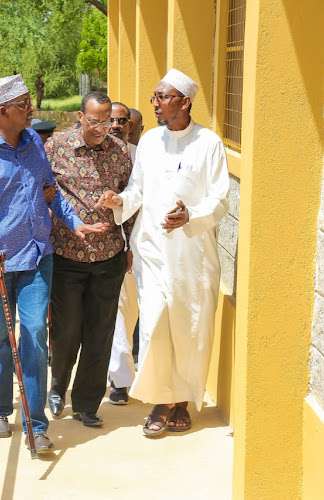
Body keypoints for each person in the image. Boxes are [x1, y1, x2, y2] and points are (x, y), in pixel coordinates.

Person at [0, 74, 106, 454]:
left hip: (36, 257)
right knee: (1, 338)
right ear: (2, 112)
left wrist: (74, 221)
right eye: (23, 104)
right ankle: (0, 408)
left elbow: (50, 190)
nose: (31, 109)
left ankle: (36, 424)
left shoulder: (34, 142)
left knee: (33, 335)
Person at [95, 69, 230, 437]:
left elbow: (220, 198)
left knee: (188, 328)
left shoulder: (209, 142)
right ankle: (160, 399)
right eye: (154, 97)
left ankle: (183, 401)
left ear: (184, 102)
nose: (154, 103)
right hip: (152, 250)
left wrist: (191, 216)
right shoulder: (151, 141)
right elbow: (138, 189)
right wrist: (119, 201)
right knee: (154, 325)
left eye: (162, 97)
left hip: (193, 256)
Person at [45, 92, 133, 426]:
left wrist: (129, 243)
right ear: (80, 116)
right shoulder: (56, 147)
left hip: (109, 255)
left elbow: (131, 199)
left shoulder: (120, 151)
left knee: (100, 333)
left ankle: (86, 403)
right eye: (94, 121)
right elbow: (42, 191)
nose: (102, 128)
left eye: (107, 120)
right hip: (67, 255)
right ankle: (58, 387)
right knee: (66, 332)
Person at [107, 100, 139, 405]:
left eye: (122, 121)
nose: (116, 125)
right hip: (106, 249)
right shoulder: (94, 158)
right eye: (111, 120)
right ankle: (120, 380)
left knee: (131, 317)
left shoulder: (142, 159)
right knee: (117, 316)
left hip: (140, 247)